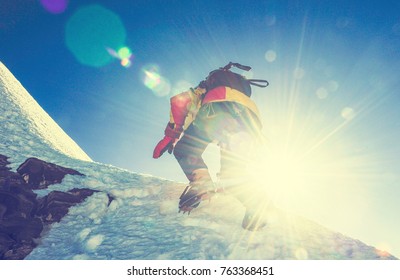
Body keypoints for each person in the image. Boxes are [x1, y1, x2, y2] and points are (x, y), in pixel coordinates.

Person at [153, 62, 269, 230]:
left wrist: (171, 135)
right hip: (252, 119)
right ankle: (257, 206)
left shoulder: (201, 90)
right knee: (232, 173)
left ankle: (202, 185)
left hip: (219, 107)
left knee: (185, 149)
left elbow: (179, 101)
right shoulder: (240, 92)